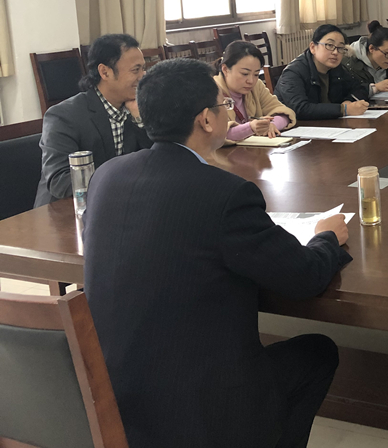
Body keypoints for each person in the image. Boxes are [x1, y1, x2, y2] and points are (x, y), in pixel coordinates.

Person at [83, 58, 352, 448]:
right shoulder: (224, 193)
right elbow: (304, 277)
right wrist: (325, 237)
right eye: (223, 105)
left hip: (114, 396)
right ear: (206, 120)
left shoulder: (106, 175)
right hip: (200, 410)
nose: (227, 111)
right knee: (318, 352)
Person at [35, 33, 152, 207]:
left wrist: (139, 119)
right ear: (105, 72)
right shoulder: (63, 116)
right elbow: (59, 181)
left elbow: (156, 160)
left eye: (143, 68)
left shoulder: (135, 108)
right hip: (65, 211)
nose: (143, 76)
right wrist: (121, 176)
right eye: (136, 70)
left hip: (114, 204)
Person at [275, 24, 370, 119]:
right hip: (296, 125)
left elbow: (359, 88)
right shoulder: (294, 72)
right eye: (329, 45)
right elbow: (300, 108)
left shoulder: (336, 68)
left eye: (340, 48)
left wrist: (348, 101)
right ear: (313, 47)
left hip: (328, 122)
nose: (335, 52)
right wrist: (343, 109)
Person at [214, 41, 297, 144]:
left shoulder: (256, 86)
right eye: (245, 74)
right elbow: (216, 134)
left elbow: (285, 113)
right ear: (225, 69)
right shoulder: (212, 91)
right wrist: (251, 127)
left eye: (256, 74)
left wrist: (271, 125)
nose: (251, 81)